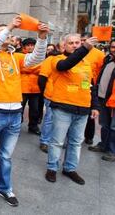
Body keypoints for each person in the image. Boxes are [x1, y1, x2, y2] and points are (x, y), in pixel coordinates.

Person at [0, 16, 48, 207]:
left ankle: (4, 188)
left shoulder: (17, 57)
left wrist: (41, 38)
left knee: (6, 156)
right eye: (4, 34)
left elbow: (37, 58)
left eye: (10, 34)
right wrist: (7, 27)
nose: (9, 36)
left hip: (15, 113)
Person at [45, 34, 100, 185]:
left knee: (76, 142)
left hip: (82, 110)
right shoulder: (57, 59)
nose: (75, 45)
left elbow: (90, 86)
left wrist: (95, 106)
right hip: (63, 108)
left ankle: (70, 168)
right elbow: (66, 65)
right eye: (71, 43)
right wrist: (84, 48)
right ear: (64, 46)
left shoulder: (86, 63)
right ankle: (52, 168)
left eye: (78, 42)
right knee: (57, 141)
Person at [88, 39, 115, 161]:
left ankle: (112, 151)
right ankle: (104, 145)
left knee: (114, 127)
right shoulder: (108, 59)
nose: (113, 49)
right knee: (104, 124)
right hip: (103, 98)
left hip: (113, 100)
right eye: (112, 47)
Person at [79, 33, 105, 145]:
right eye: (82, 40)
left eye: (85, 39)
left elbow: (101, 71)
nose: (83, 42)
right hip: (77, 83)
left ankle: (89, 136)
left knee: (90, 111)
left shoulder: (99, 54)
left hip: (91, 84)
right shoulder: (78, 51)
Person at [20, 38, 42, 135]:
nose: (30, 47)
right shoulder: (20, 56)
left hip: (35, 88)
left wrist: (27, 69)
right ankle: (16, 126)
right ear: (24, 47)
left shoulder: (39, 57)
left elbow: (42, 69)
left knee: (35, 110)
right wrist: (35, 69)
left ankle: (33, 126)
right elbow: (21, 68)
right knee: (19, 109)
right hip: (22, 87)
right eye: (28, 45)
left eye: (32, 45)